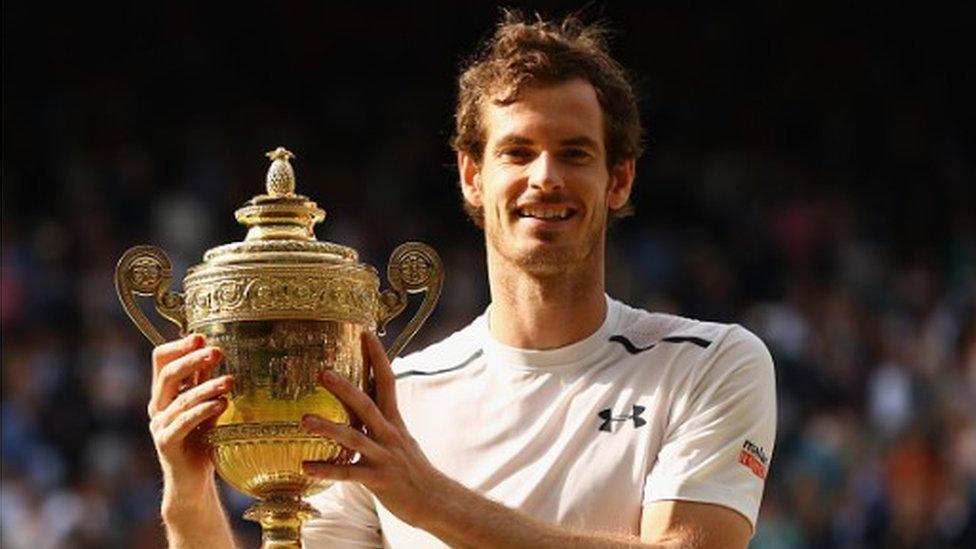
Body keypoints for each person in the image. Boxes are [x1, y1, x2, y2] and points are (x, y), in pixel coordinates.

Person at [147, 11, 776, 548]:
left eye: (575, 153)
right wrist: (189, 490)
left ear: (620, 179)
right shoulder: (391, 403)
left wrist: (433, 502)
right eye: (518, 151)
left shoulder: (709, 364)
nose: (546, 177)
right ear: (472, 175)